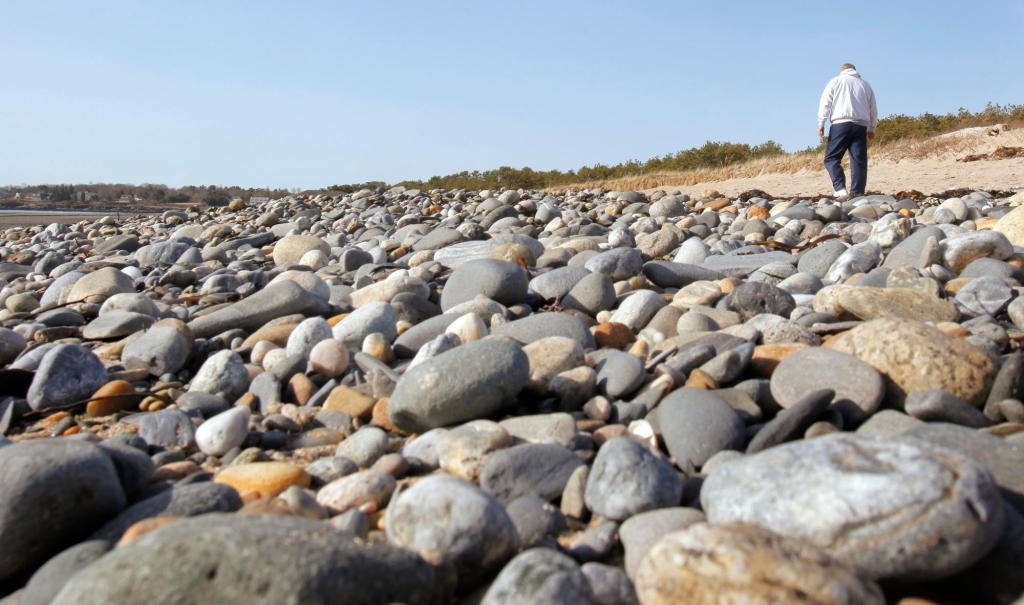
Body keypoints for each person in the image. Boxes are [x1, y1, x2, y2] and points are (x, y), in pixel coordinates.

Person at [817, 63, 878, 199]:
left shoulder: (836, 81)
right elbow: (873, 108)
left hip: (840, 123)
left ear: (842, 71)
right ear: (855, 71)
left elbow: (825, 102)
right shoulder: (865, 85)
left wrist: (821, 122)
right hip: (860, 125)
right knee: (858, 159)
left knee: (831, 158)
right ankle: (857, 192)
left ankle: (840, 188)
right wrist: (872, 128)